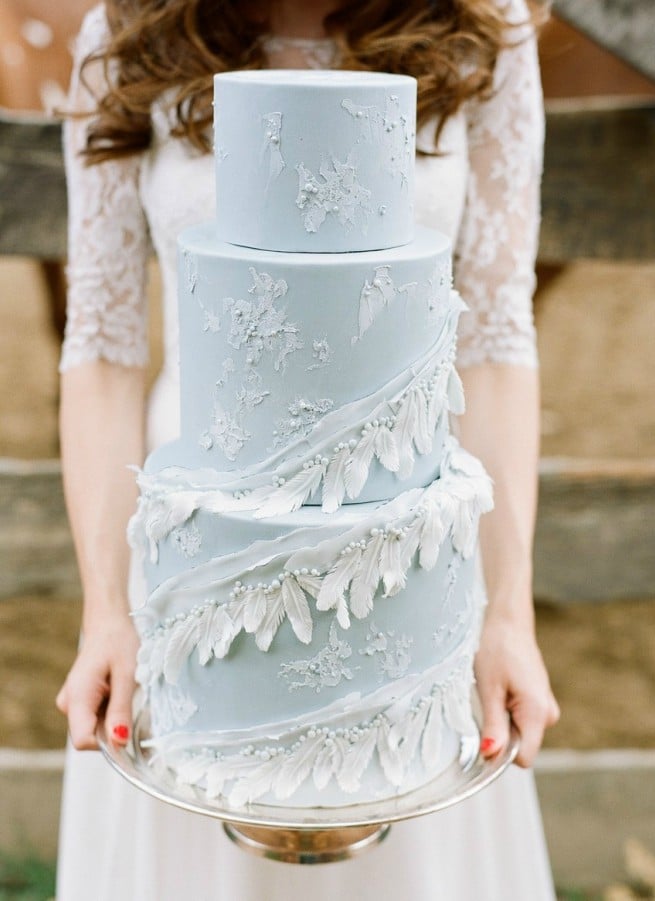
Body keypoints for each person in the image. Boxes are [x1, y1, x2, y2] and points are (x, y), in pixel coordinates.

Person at [55, 1, 560, 898]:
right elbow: (102, 347)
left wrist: (507, 611)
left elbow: (495, 343)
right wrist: (105, 609)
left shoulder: (483, 34)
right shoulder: (129, 31)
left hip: (411, 547)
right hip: (196, 542)